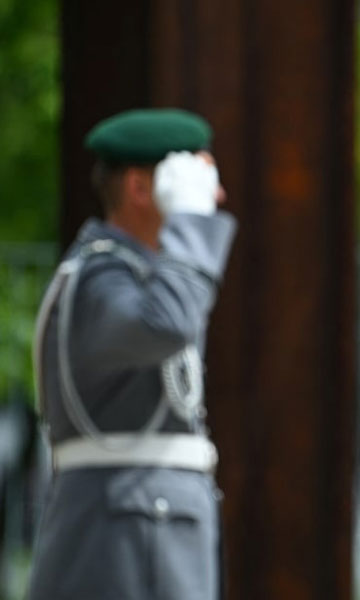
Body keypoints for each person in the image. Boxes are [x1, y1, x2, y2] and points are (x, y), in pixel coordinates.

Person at [28, 108, 236, 600]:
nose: (216, 199)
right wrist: (189, 224)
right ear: (142, 189)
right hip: (130, 528)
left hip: (143, 521)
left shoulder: (135, 274)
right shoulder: (101, 276)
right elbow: (166, 323)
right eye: (199, 183)